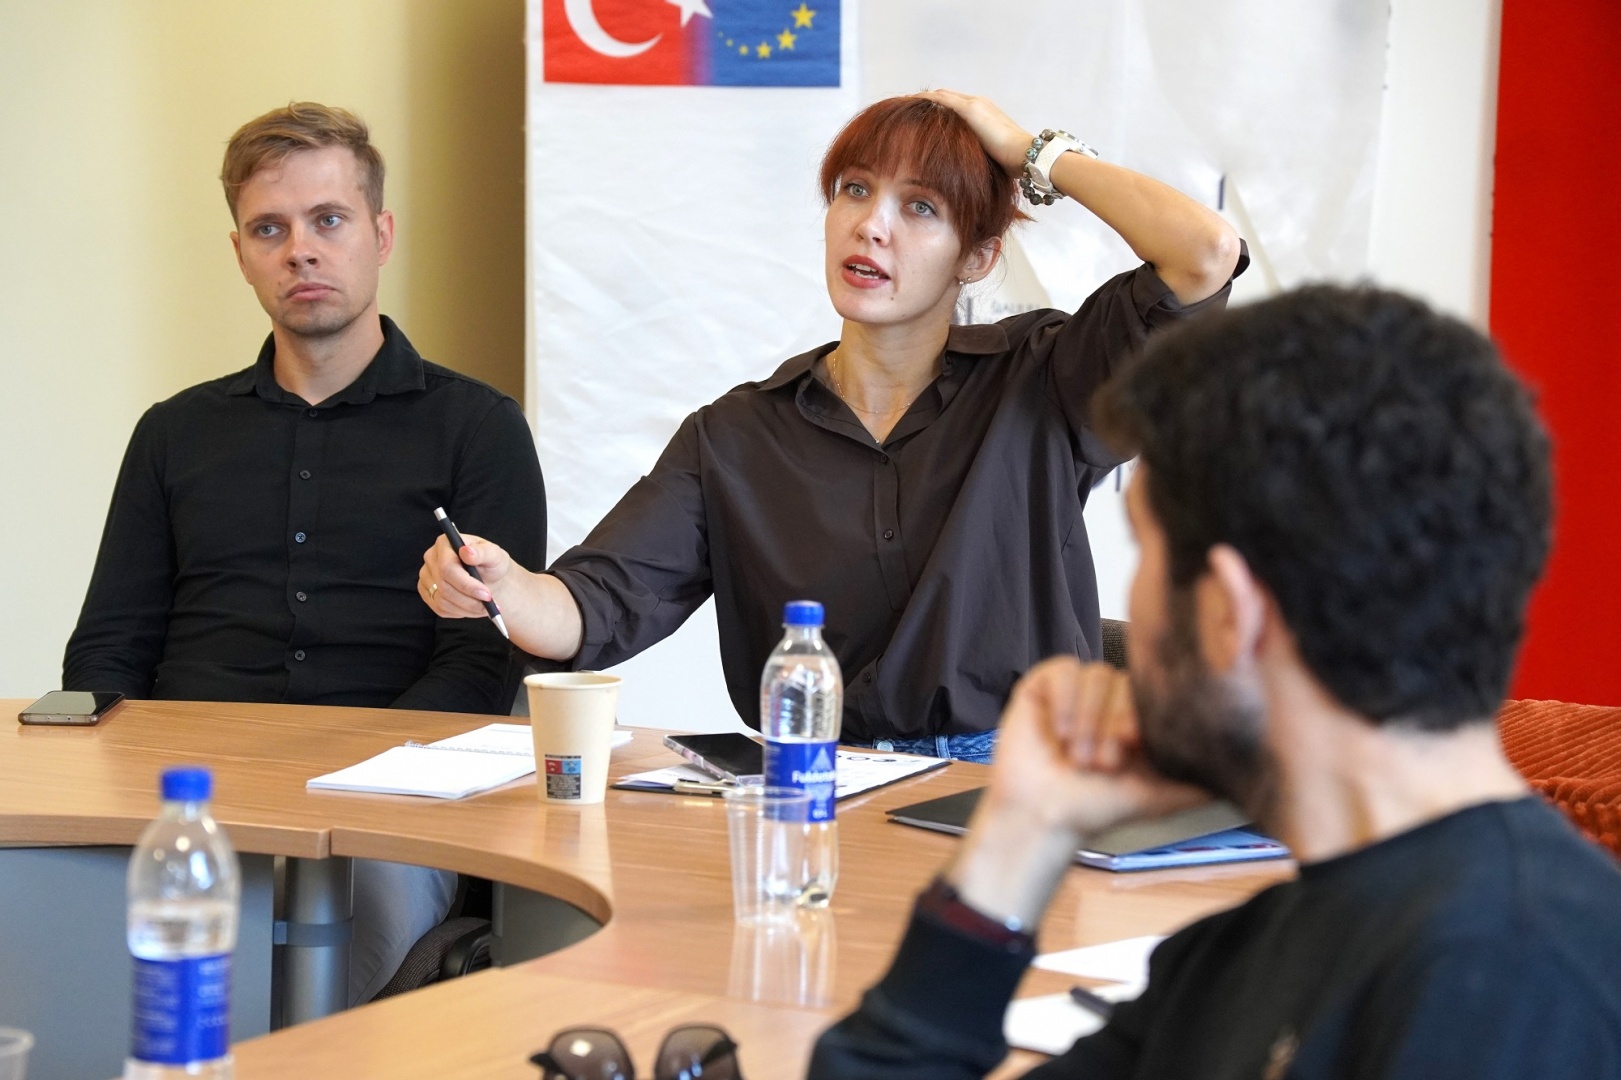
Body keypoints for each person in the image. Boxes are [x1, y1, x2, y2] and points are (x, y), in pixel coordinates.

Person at [808, 285, 1621, 1078]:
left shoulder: (1511, 982)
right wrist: (1020, 832)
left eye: (1143, 551)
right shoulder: (1246, 956)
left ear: (1229, 614)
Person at [420, 91, 1244, 762]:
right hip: (815, 781)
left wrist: (1030, 150)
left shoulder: (1044, 377)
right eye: (854, 189)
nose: (870, 225)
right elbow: (591, 607)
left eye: (919, 207)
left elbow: (1203, 250)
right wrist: (502, 586)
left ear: (976, 257)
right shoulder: (734, 435)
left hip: (1020, 785)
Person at [63, 102, 546, 1004]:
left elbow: (483, 660)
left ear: (380, 235)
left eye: (328, 220)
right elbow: (107, 648)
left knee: (317, 970)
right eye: (269, 229)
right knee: (49, 912)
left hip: (387, 803)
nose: (300, 251)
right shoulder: (173, 432)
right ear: (240, 253)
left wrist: (347, 774)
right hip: (189, 790)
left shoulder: (477, 427)